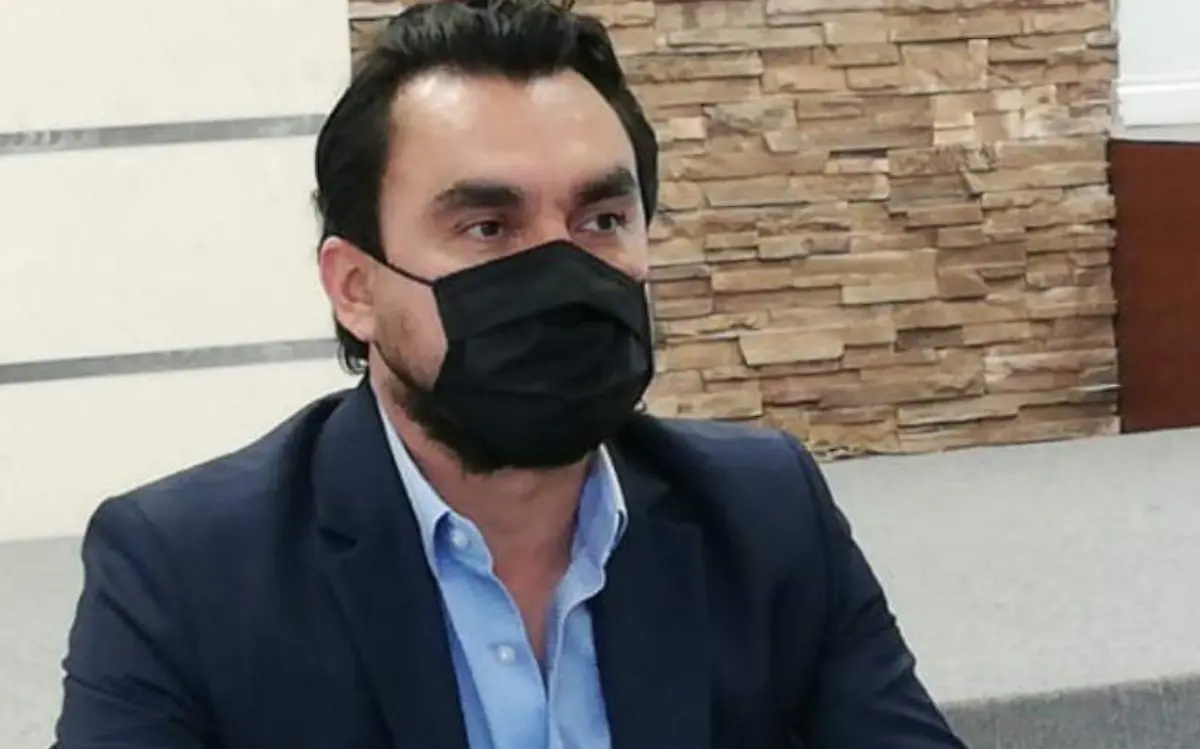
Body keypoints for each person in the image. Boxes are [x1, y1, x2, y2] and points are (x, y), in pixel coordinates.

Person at [55, 1, 969, 747]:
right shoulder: (186, 570)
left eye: (602, 220)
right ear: (356, 288)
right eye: (487, 228)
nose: (560, 272)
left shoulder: (763, 512)